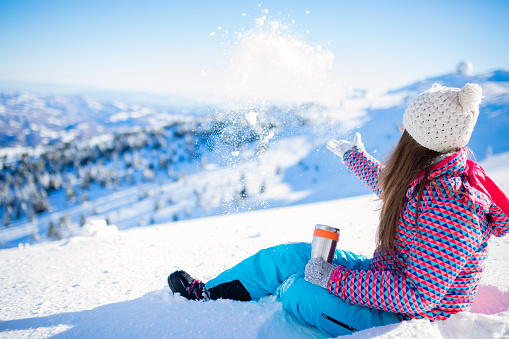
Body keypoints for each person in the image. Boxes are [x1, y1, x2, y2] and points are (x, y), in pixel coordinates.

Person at [167, 83, 509, 337]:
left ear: (421, 140)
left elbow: (418, 296)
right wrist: (354, 157)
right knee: (288, 257)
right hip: (385, 277)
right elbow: (391, 189)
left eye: (408, 126)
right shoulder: (429, 173)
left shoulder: (453, 205)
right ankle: (209, 294)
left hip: (411, 318)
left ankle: (293, 295)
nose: (401, 130)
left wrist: (334, 279)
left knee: (302, 291)